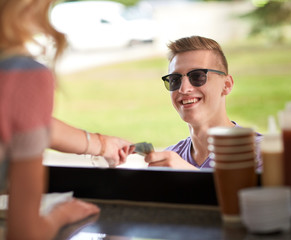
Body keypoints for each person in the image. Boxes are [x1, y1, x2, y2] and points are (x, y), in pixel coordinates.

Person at [0, 0, 132, 239]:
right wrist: (62, 214)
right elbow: (25, 235)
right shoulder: (20, 74)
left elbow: (22, 121)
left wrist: (101, 144)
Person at [144, 36, 262, 170]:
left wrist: (191, 176)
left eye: (197, 76)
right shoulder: (168, 162)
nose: (184, 89)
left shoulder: (261, 153)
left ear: (227, 85)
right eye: (175, 80)